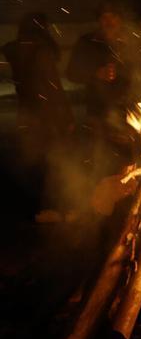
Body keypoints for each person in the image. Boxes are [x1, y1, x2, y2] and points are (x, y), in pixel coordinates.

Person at [4, 13, 75, 213]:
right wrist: (67, 117)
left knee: (33, 161)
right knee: (52, 163)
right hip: (47, 118)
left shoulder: (15, 50)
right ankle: (48, 209)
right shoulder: (41, 51)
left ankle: (34, 209)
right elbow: (53, 88)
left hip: (26, 115)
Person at [67, 3, 138, 171]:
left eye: (113, 17)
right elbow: (71, 73)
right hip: (97, 114)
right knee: (99, 160)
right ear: (99, 21)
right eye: (105, 17)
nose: (109, 22)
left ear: (120, 20)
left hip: (127, 114)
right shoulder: (87, 43)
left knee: (126, 162)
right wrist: (95, 73)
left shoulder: (129, 43)